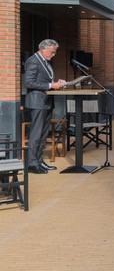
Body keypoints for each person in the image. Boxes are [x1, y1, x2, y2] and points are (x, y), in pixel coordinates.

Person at [24, 39, 66, 174]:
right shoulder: (33, 61)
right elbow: (29, 83)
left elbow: (44, 80)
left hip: (46, 102)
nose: (53, 55)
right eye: (52, 52)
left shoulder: (45, 62)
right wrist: (50, 86)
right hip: (37, 103)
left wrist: (56, 83)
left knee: (43, 134)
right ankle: (31, 163)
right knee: (36, 134)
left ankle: (39, 161)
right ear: (43, 49)